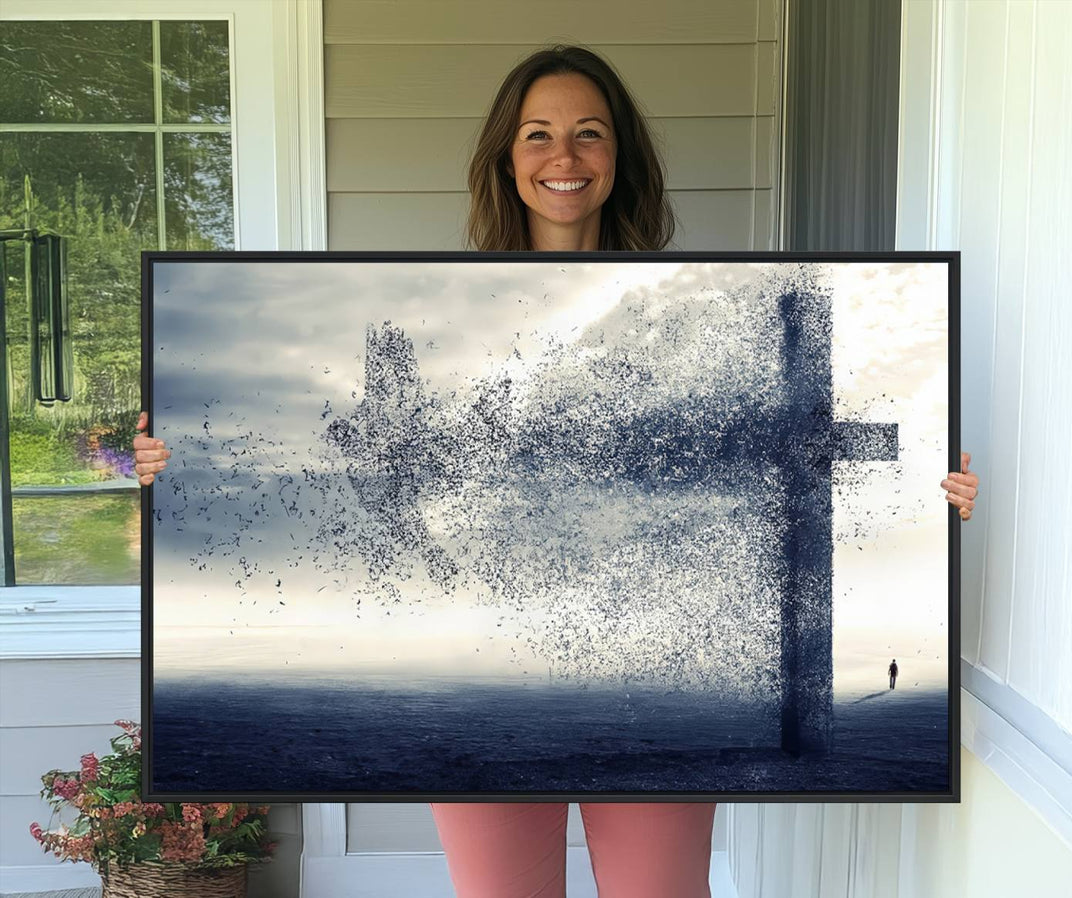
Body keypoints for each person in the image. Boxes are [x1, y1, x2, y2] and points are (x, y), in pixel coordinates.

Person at [134, 44, 980, 898]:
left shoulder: (693, 314)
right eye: (538, 135)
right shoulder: (430, 322)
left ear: (620, 159)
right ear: (507, 159)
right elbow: (333, 452)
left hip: (656, 674)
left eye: (589, 134)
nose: (563, 158)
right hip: (477, 664)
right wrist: (179, 463)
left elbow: (785, 448)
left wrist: (927, 491)